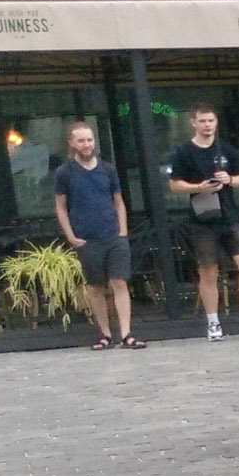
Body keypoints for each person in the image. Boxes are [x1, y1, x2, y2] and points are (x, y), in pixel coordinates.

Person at [167, 104, 239, 341]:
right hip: (203, 219)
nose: (207, 125)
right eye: (203, 121)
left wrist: (228, 179)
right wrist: (198, 187)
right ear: (194, 122)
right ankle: (213, 324)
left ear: (216, 122)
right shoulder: (184, 152)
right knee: (209, 271)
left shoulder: (227, 149)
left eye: (211, 121)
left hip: (231, 217)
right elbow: (175, 184)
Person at [53, 120, 140, 351]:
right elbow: (61, 206)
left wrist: (122, 230)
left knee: (120, 282)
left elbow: (119, 201)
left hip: (113, 235)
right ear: (71, 143)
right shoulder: (64, 172)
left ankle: (126, 333)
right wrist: (71, 236)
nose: (86, 144)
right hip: (87, 238)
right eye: (81, 140)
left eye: (89, 140)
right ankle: (104, 334)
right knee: (96, 287)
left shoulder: (108, 169)